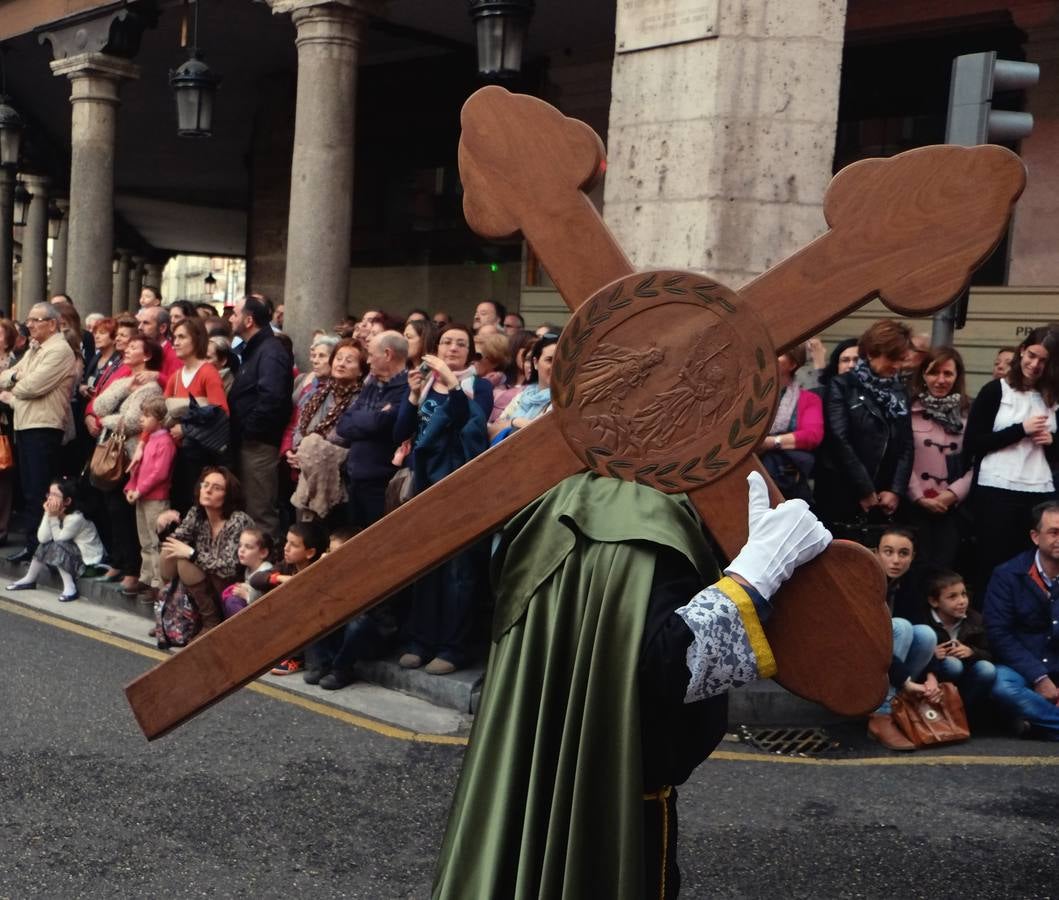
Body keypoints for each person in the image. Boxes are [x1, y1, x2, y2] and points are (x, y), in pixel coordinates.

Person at [432, 471, 832, 897]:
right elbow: (668, 666)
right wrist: (756, 577)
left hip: (526, 759)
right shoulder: (653, 526)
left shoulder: (556, 498)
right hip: (610, 784)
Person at [394, 323, 491, 674]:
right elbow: (402, 431)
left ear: (470, 351)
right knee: (427, 567)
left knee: (458, 573)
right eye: (447, 342)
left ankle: (454, 647)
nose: (452, 348)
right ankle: (421, 641)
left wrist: (452, 383)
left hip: (460, 487)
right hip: (425, 485)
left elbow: (472, 426)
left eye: (461, 343)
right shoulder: (425, 381)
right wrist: (411, 395)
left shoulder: (477, 386)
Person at [964, 326, 1059, 601]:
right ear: (1021, 351)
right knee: (992, 561)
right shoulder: (996, 390)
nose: (1035, 364)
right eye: (1031, 355)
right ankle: (985, 626)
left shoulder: (1052, 397)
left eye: (1044, 360)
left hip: (1039, 490)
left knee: (1031, 563)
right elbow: (974, 443)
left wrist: (1051, 441)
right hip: (996, 488)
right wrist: (1021, 429)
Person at [814, 320, 914, 532]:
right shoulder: (842, 385)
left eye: (901, 359)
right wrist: (865, 489)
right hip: (844, 490)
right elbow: (840, 439)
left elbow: (906, 444)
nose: (897, 366)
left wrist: (895, 490)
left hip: (884, 496)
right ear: (871, 353)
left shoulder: (899, 390)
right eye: (892, 358)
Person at [0, 302, 77, 562]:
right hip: (25, 423)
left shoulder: (60, 350)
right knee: (30, 489)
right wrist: (14, 381)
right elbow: (7, 376)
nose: (28, 325)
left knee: (38, 489)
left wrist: (14, 385)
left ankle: (36, 547)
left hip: (43, 426)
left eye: (36, 320)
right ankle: (34, 545)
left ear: (52, 324)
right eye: (29, 319)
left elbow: (30, 387)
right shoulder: (35, 348)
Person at [92, 335, 165, 593]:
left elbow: (134, 422)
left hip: (130, 455)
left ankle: (133, 569)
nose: (128, 349)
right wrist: (125, 388)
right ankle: (119, 561)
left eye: (134, 347)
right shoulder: (124, 380)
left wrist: (107, 421)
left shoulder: (152, 388)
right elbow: (99, 405)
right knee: (110, 509)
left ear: (147, 355)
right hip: (110, 450)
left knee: (124, 513)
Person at [984, 500, 1059, 741]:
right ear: (1035, 537)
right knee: (1002, 686)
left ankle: (1037, 724)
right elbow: (998, 633)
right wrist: (1039, 677)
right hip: (1023, 668)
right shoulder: (1007, 574)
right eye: (1054, 532)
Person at [866, 526, 940, 751]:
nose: (896, 560)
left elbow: (924, 624)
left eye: (903, 553)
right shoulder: (863, 580)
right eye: (888, 552)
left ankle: (896, 703)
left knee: (926, 634)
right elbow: (871, 642)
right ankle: (881, 716)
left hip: (890, 668)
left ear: (912, 557)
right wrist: (907, 681)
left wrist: (931, 676)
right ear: (876, 552)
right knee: (900, 627)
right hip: (859, 658)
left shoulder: (909, 584)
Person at [158, 466, 256, 633]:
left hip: (232, 586)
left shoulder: (238, 520)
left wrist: (191, 553)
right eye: (205, 485)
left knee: (185, 560)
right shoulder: (197, 512)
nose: (208, 490)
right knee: (170, 552)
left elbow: (228, 568)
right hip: (208, 579)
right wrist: (162, 527)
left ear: (228, 495)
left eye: (216, 488)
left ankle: (211, 622)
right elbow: (174, 542)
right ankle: (172, 611)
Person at [227, 295, 294, 537]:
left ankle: (267, 569)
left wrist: (249, 431)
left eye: (235, 313)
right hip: (247, 441)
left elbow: (272, 399)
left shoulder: (270, 351)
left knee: (260, 511)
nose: (231, 318)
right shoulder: (255, 349)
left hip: (258, 445)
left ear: (248, 320)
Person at [304, 527, 400, 691]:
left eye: (338, 553)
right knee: (314, 609)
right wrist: (321, 571)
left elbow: (361, 613)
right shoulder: (334, 572)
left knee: (358, 624)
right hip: (344, 633)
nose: (332, 557)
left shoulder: (370, 575)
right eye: (330, 551)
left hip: (370, 637)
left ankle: (341, 670)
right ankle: (322, 664)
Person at [904, 347, 974, 569]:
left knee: (943, 571)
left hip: (952, 508)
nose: (941, 380)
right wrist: (918, 495)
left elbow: (978, 462)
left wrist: (952, 494)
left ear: (957, 376)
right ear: (923, 374)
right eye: (934, 373)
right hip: (913, 505)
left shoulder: (970, 412)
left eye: (948, 373)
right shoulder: (906, 409)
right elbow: (901, 455)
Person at [335, 331, 410, 529]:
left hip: (381, 481)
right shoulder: (371, 384)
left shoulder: (407, 387)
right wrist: (376, 417)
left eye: (371, 354)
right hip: (355, 477)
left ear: (387, 354)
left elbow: (383, 423)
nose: (367, 361)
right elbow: (343, 424)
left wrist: (372, 419)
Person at [288, 340, 365, 523]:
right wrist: (298, 450)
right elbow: (301, 425)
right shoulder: (319, 394)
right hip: (305, 471)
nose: (341, 363)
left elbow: (342, 436)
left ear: (361, 370)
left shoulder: (361, 399)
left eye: (349, 360)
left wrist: (312, 448)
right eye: (338, 358)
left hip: (338, 476)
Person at [165, 316, 230, 514]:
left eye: (182, 337)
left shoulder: (208, 372)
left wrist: (185, 429)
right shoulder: (175, 376)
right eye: (174, 337)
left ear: (197, 339)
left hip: (200, 456)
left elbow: (221, 413)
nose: (175, 342)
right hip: (177, 455)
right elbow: (162, 412)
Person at [249, 520, 328, 676]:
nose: (286, 548)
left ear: (310, 553)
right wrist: (280, 578)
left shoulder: (318, 568)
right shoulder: (287, 566)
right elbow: (255, 579)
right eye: (286, 542)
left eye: (294, 545)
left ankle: (296, 658)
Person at [6, 477, 104, 602]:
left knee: (57, 545)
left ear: (67, 501)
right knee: (45, 544)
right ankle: (29, 579)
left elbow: (59, 540)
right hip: (72, 557)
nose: (50, 498)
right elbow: (42, 538)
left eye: (55, 495)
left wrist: (51, 516)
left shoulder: (76, 517)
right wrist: (47, 514)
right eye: (49, 494)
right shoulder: (56, 513)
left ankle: (70, 588)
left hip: (89, 564)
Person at [124, 396, 177, 601]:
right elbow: (137, 468)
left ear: (160, 419)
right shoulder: (148, 440)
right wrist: (131, 487)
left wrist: (140, 490)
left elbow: (159, 473)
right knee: (145, 539)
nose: (141, 420)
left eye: (147, 416)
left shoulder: (165, 442)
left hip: (156, 498)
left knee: (156, 541)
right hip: (142, 496)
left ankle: (159, 581)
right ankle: (146, 577)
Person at [757, 342, 823, 502]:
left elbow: (812, 435)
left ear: (793, 364)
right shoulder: (751, 397)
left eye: (778, 354)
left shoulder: (809, 399)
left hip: (785, 480)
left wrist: (770, 442)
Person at [923, 569, 995, 710]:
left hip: (965, 680)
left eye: (963, 594)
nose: (962, 601)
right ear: (934, 601)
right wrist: (931, 654)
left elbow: (991, 653)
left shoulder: (976, 620)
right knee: (953, 665)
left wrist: (971, 652)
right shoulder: (924, 621)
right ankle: (936, 711)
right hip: (933, 678)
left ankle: (961, 712)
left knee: (987, 669)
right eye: (952, 597)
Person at [489, 332, 556, 441]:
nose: (556, 365)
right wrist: (515, 422)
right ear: (535, 363)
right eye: (549, 360)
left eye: (561, 360)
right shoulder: (522, 397)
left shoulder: (567, 401)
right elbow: (492, 431)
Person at [220, 528, 274, 618]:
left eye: (248, 547)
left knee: (232, 601)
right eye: (240, 545)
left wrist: (247, 595)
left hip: (265, 616)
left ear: (263, 553)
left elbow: (267, 600)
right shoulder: (248, 569)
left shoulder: (266, 570)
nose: (241, 550)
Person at [135, 306, 180, 380]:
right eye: (139, 323)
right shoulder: (137, 352)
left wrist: (158, 376)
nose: (139, 327)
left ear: (162, 328)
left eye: (146, 323)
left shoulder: (174, 357)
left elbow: (176, 386)